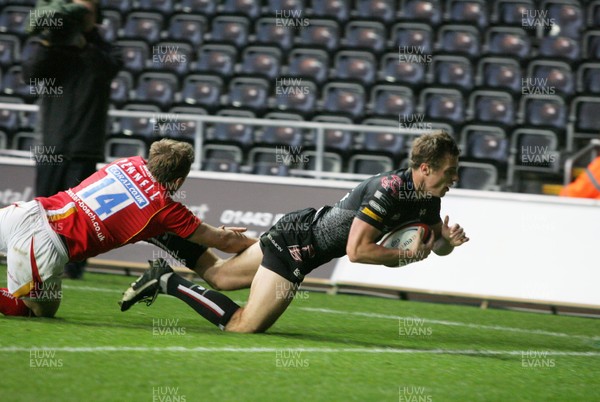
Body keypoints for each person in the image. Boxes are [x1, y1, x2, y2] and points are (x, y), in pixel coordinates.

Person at [120, 130, 470, 333]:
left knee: (221, 277)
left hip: (299, 228)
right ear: (426, 168)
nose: (455, 179)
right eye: (450, 171)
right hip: (299, 245)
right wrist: (404, 256)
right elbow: (357, 251)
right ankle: (168, 281)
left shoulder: (427, 201)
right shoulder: (389, 190)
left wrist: (447, 244)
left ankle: (163, 234)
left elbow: (436, 243)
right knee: (244, 326)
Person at [0, 139, 257, 318]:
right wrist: (249, 242)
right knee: (38, 312)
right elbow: (224, 242)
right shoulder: (165, 210)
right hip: (46, 244)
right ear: (179, 180)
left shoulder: (128, 162)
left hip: (28, 211)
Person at [22, 0, 123, 278]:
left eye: (86, 10)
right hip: (51, 142)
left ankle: (73, 266)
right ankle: (37, 260)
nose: (80, 15)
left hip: (84, 145)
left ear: (96, 16)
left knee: (80, 213)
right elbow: (30, 74)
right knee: (43, 207)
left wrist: (84, 44)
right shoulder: (54, 44)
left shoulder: (103, 47)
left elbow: (109, 68)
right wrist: (49, 41)